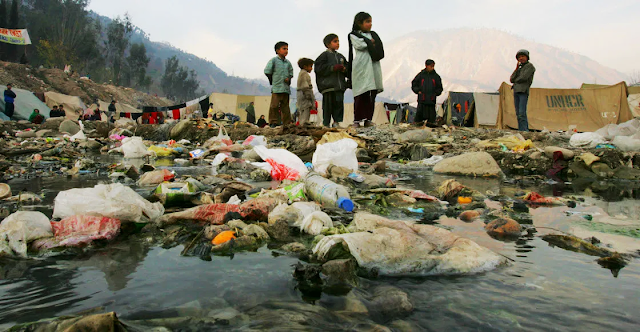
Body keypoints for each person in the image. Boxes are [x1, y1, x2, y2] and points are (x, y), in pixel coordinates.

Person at [349, 12, 384, 127]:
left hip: (373, 67)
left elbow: (377, 45)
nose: (370, 24)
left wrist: (370, 42)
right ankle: (357, 120)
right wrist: (370, 43)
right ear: (359, 23)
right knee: (361, 93)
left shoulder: (372, 35)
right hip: (361, 67)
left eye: (370, 22)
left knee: (371, 94)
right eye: (367, 22)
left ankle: (368, 119)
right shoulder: (353, 35)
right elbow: (360, 45)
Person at [315, 34, 348, 127]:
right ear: (328, 44)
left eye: (338, 41)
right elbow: (319, 69)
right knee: (328, 106)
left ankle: (336, 122)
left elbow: (348, 68)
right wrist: (332, 68)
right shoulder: (324, 56)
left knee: (338, 105)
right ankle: (326, 123)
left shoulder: (341, 56)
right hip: (328, 86)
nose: (338, 43)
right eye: (335, 41)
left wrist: (344, 69)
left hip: (339, 86)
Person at [264, 41, 294, 127]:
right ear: (277, 50)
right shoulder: (274, 60)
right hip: (277, 88)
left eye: (287, 49)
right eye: (284, 49)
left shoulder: (288, 63)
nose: (286, 51)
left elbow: (291, 73)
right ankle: (273, 122)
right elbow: (267, 71)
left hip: (285, 89)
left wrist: (288, 78)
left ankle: (286, 124)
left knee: (285, 107)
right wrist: (272, 80)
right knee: (274, 106)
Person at [411, 59, 443, 127]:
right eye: (431, 66)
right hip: (422, 101)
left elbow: (440, 88)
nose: (432, 67)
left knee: (431, 122)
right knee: (418, 121)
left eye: (433, 66)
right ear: (426, 66)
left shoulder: (436, 77)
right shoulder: (421, 75)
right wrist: (418, 91)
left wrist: (435, 93)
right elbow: (414, 84)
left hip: (431, 101)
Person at [510, 49, 536, 132]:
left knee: (522, 113)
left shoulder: (530, 66)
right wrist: (516, 69)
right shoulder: (519, 68)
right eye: (519, 57)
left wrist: (516, 80)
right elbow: (511, 79)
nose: (521, 58)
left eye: (523, 56)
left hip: (523, 91)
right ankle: (521, 130)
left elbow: (523, 77)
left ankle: (525, 130)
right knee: (518, 113)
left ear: (527, 57)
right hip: (516, 91)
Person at [296, 58, 316, 126]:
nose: (311, 68)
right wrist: (309, 96)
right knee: (306, 109)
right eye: (310, 66)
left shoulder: (302, 73)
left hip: (301, 93)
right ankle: (304, 123)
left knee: (303, 110)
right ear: (305, 66)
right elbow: (305, 86)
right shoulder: (304, 74)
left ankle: (303, 123)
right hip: (304, 94)